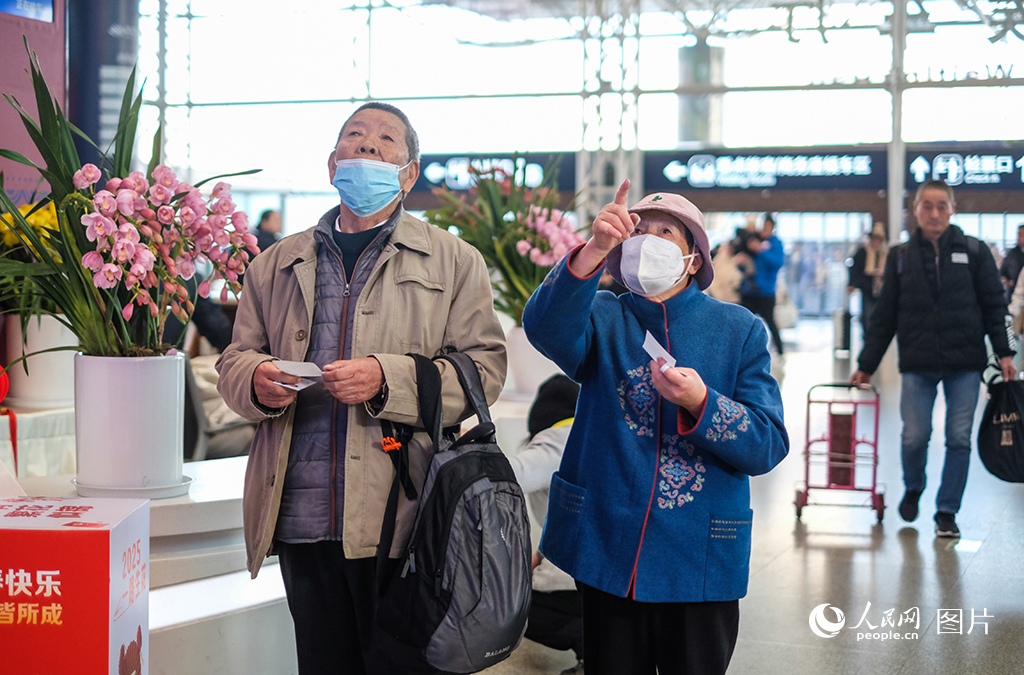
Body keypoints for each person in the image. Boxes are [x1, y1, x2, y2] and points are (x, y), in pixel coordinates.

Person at [216, 102, 507, 675]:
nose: (368, 146)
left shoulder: (454, 262)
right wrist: (255, 378)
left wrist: (388, 377)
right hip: (301, 512)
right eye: (355, 136)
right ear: (332, 164)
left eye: (385, 139)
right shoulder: (275, 264)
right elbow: (233, 359)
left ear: (410, 170)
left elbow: (485, 372)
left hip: (404, 519)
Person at [522, 182, 789, 675]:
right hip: (607, 546)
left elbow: (767, 443)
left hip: (698, 556)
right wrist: (596, 248)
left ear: (693, 259)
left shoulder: (740, 329)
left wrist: (702, 402)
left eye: (666, 232)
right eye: (638, 230)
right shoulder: (604, 315)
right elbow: (543, 327)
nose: (648, 238)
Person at [851, 180, 1015, 539]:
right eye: (928, 206)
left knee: (958, 438)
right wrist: (866, 363)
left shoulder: (975, 252)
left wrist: (1005, 353)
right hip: (918, 362)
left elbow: (994, 306)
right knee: (914, 436)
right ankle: (914, 486)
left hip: (965, 364)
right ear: (916, 209)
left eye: (942, 206)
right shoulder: (900, 257)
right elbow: (884, 316)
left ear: (953, 208)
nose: (935, 213)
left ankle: (946, 511)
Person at [507, 374, 585, 675]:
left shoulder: (554, 441)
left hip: (576, 584)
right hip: (619, 577)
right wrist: (541, 554)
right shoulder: (596, 437)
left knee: (506, 607)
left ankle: (589, 642)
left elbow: (512, 475)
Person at [739, 214, 786, 357]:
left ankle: (780, 351)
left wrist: (760, 250)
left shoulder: (775, 243)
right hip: (749, 291)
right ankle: (741, 350)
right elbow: (746, 265)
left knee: (771, 322)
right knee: (743, 323)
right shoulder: (753, 239)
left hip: (766, 292)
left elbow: (777, 263)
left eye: (767, 227)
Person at [847, 222, 888, 336]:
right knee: (867, 313)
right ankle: (868, 335)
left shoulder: (886, 253)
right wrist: (852, 284)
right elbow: (854, 268)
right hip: (867, 287)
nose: (876, 242)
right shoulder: (863, 251)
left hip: (881, 288)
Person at [999, 224, 1024, 303]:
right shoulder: (1012, 254)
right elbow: (1002, 271)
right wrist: (1006, 281)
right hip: (1013, 295)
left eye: (1021, 235)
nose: (1018, 238)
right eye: (1018, 234)